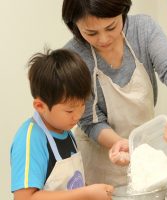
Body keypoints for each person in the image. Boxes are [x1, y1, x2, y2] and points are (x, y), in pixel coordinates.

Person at [62, 0, 167, 187]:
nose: (103, 39)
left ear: (123, 11)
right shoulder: (72, 57)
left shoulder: (142, 29)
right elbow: (90, 121)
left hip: (144, 149)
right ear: (74, 26)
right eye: (91, 33)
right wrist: (121, 144)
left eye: (111, 27)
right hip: (99, 164)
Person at [10, 49, 113, 200]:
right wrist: (86, 194)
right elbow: (24, 198)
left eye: (82, 105)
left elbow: (71, 186)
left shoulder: (65, 130)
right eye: (69, 110)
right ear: (40, 106)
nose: (77, 116)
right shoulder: (31, 139)